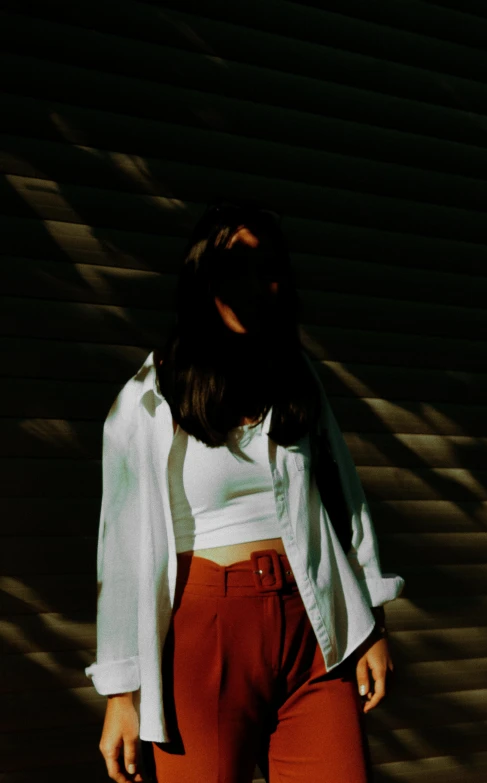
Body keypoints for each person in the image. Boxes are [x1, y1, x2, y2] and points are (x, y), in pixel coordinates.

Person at [85, 198, 405, 783]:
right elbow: (122, 551)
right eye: (238, 264)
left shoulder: (296, 376)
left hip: (313, 626)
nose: (256, 283)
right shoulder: (150, 396)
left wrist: (372, 620)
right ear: (204, 275)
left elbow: (345, 499)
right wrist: (122, 692)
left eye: (270, 269)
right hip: (207, 634)